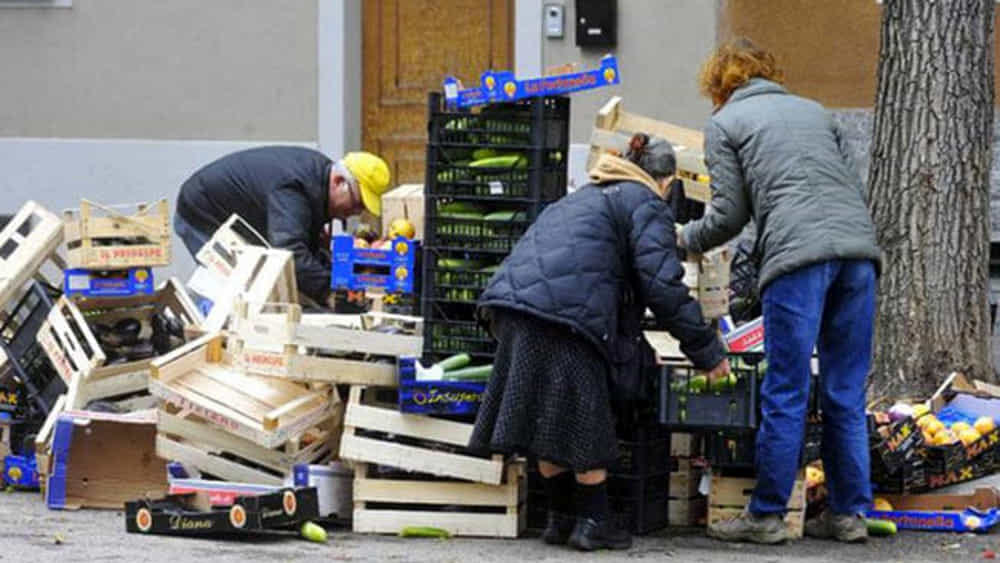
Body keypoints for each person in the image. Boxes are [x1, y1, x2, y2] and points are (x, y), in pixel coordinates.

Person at [470, 134, 729, 552]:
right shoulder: (646, 203)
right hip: (564, 316)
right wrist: (706, 350)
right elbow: (663, 287)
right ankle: (594, 522)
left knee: (546, 415)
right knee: (584, 418)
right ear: (665, 182)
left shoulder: (588, 194)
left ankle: (559, 519)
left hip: (515, 308)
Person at [680, 39, 881, 544]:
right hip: (859, 257)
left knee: (786, 389)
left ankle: (767, 515)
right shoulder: (817, 112)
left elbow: (728, 216)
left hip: (797, 259)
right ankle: (849, 514)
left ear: (719, 87)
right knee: (844, 391)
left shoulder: (725, 124)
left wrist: (683, 239)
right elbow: (851, 191)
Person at [174, 146, 391, 306]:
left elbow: (300, 239)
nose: (356, 212)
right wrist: (330, 292)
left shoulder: (319, 174)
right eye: (357, 202)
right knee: (235, 293)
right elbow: (290, 252)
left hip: (238, 215)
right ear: (338, 183)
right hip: (202, 212)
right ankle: (203, 334)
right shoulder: (293, 189)